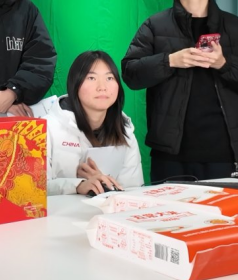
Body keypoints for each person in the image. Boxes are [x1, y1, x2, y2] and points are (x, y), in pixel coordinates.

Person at [121, 0, 238, 182]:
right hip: (171, 154)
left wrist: (224, 64)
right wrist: (170, 61)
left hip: (224, 151)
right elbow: (130, 73)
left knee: (225, 208)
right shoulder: (155, 26)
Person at [9, 50, 144, 196]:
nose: (102, 87)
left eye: (109, 78)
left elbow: (133, 191)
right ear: (75, 84)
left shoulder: (125, 131)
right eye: (91, 78)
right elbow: (30, 189)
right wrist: (77, 185)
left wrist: (102, 182)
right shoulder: (45, 129)